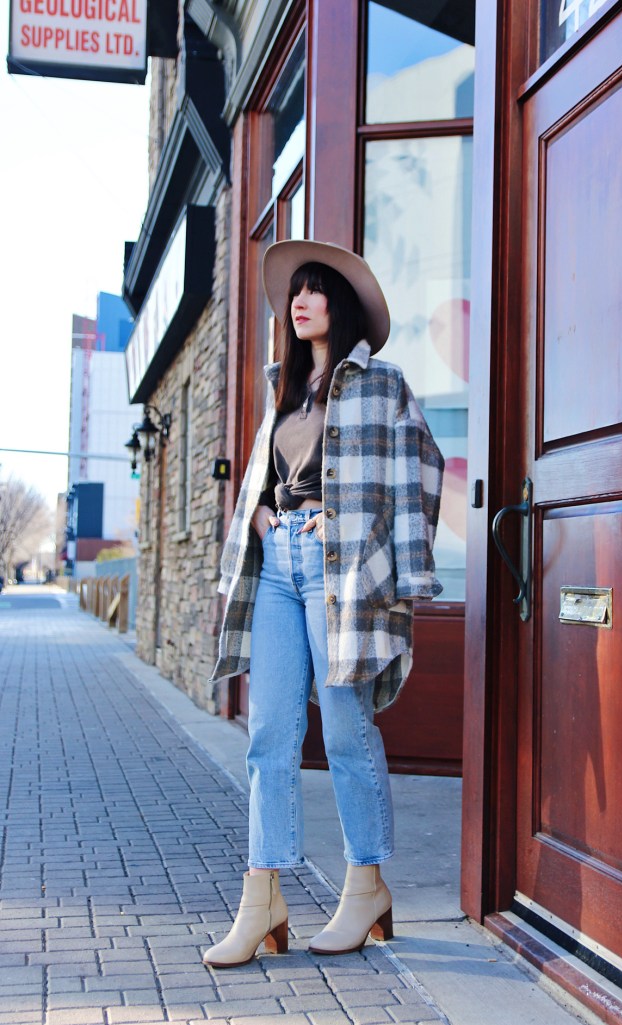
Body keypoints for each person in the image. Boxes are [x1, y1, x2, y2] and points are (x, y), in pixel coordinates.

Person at [203, 240, 444, 969]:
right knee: (269, 733)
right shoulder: (283, 386)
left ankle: (365, 885)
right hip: (277, 566)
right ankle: (262, 899)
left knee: (344, 728)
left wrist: (377, 551)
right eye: (294, 292)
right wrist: (258, 515)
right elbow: (265, 475)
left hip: (340, 572)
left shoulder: (382, 384)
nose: (298, 301)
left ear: (339, 303)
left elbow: (422, 471)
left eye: (313, 289)